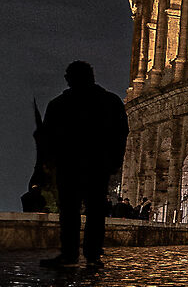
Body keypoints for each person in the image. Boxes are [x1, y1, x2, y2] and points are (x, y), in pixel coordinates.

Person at [39, 62, 129, 270]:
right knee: (95, 210)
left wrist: (50, 163)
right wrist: (115, 160)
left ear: (70, 79)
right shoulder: (110, 101)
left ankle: (70, 254)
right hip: (97, 164)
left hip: (69, 164)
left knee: (70, 210)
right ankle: (92, 254)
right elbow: (121, 133)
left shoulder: (59, 104)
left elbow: (47, 138)